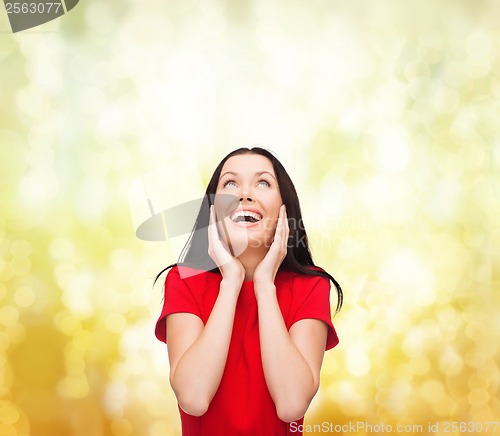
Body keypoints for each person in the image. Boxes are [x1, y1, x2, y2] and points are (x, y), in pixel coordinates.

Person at [154, 147, 342, 435]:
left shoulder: (311, 287)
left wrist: (265, 285)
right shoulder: (183, 281)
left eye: (263, 183)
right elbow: (193, 398)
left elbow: (292, 405)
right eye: (230, 183)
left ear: (285, 208)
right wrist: (231, 280)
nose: (245, 195)